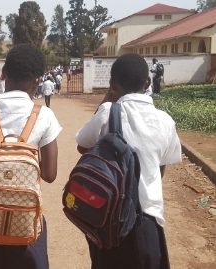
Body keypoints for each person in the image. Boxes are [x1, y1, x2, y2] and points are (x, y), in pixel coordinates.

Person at [0, 44, 62, 269]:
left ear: (4, 72)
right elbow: (50, 174)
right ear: (38, 79)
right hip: (24, 210)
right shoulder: (44, 115)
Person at [75, 53, 182, 269]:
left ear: (113, 85)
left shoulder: (107, 112)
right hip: (147, 222)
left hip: (108, 218)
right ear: (148, 83)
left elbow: (82, 145)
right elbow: (160, 169)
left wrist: (108, 98)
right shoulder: (165, 121)